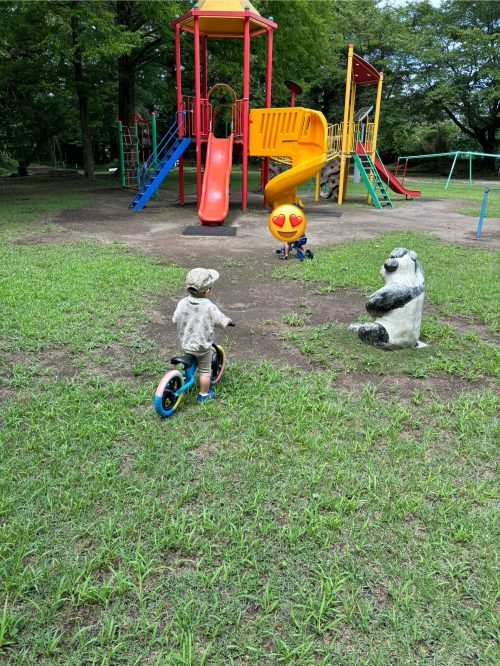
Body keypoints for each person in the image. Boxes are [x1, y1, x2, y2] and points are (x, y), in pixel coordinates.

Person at [172, 268, 234, 402]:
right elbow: (220, 319)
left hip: (186, 343)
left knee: (190, 358)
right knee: (205, 371)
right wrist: (228, 321)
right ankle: (203, 395)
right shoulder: (209, 307)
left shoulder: (182, 303)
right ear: (207, 291)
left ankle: (186, 376)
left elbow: (175, 319)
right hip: (202, 347)